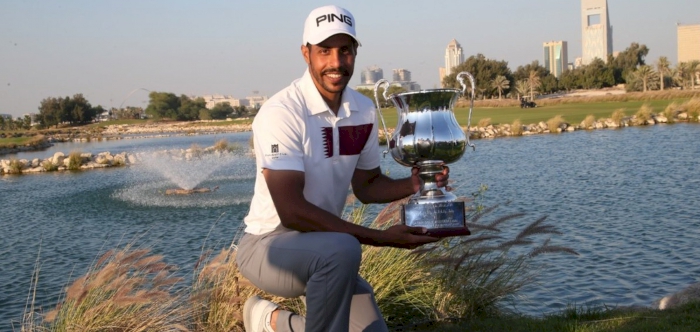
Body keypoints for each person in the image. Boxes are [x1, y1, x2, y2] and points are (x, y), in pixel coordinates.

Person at [236, 5, 449, 332]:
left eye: (345, 51)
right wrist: (382, 238)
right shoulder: (281, 112)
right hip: (268, 247)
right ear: (305, 53)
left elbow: (367, 187)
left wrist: (415, 184)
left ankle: (269, 322)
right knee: (342, 249)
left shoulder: (362, 110)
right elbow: (292, 212)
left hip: (325, 245)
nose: (336, 63)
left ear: (355, 53)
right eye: (324, 51)